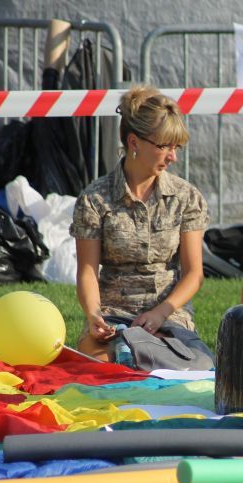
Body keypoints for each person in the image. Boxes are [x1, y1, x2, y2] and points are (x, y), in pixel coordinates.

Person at [70, 85, 209, 361]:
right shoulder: (94, 199)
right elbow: (87, 271)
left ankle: (139, 354)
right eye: (164, 146)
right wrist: (94, 314)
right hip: (112, 315)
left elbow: (194, 273)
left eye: (176, 147)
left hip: (168, 315)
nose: (173, 157)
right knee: (99, 365)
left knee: (200, 366)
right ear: (134, 143)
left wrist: (161, 313)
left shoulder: (187, 197)